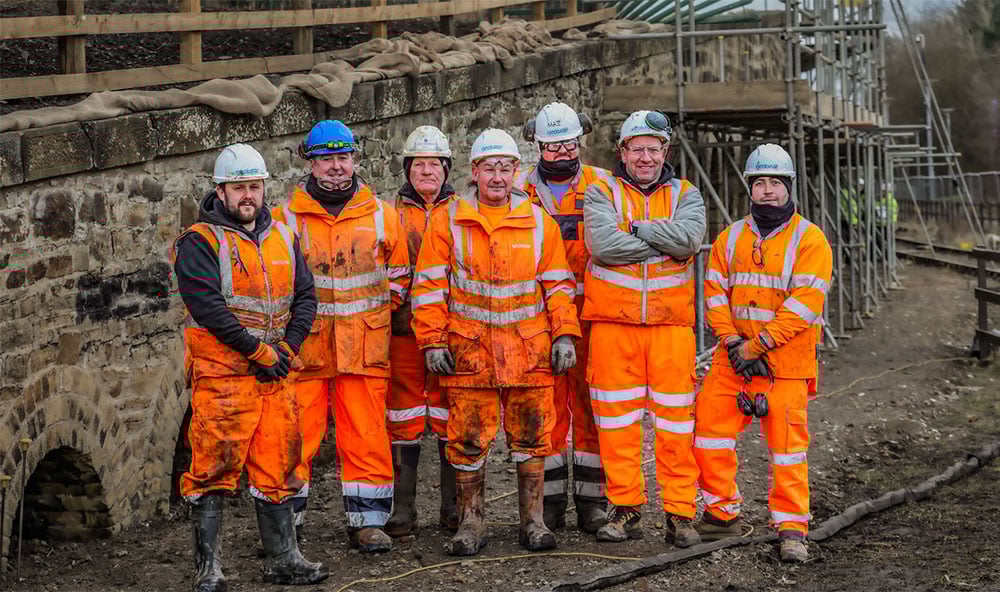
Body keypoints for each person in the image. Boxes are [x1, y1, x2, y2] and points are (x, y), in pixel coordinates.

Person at [410, 129, 582, 556]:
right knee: (468, 441)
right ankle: (470, 524)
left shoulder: (538, 222)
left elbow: (559, 285)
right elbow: (429, 288)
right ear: (475, 172)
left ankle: (534, 522)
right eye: (490, 168)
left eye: (506, 168)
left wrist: (564, 333)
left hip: (529, 352)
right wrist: (432, 341)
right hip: (470, 354)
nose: (499, 177)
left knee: (532, 438)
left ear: (516, 172)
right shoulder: (449, 221)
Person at [173, 143, 327, 589]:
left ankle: (284, 558)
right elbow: (207, 306)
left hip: (274, 375)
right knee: (212, 470)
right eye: (238, 187)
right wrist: (256, 350)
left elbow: (305, 296)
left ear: (264, 188)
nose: (248, 196)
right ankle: (209, 569)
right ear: (220, 192)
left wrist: (288, 347)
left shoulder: (282, 235)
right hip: (224, 380)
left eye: (254, 187)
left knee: (280, 465)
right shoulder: (200, 242)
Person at [271, 120, 410, 553]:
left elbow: (401, 280)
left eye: (343, 157)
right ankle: (283, 522)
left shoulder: (383, 216)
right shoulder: (284, 218)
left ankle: (368, 523)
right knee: (294, 437)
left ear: (355, 159)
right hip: (305, 350)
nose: (336, 167)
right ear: (309, 162)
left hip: (363, 350)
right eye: (326, 159)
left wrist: (366, 321)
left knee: (367, 434)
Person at [695, 143, 833, 563]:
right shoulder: (730, 237)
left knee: (787, 449)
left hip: (784, 363)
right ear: (750, 189)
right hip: (732, 359)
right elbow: (714, 293)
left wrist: (757, 345)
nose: (768, 191)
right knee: (708, 435)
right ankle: (721, 513)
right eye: (760, 183)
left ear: (788, 187)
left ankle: (792, 527)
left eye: (775, 183)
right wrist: (734, 342)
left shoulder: (810, 240)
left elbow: (804, 305)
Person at [581, 110, 706, 548]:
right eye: (638, 149)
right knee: (617, 427)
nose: (647, 157)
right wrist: (661, 242)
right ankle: (626, 509)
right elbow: (602, 246)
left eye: (654, 149)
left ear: (665, 151)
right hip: (614, 328)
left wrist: (636, 228)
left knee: (676, 427)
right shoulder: (600, 192)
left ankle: (680, 514)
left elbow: (689, 241)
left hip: (672, 329)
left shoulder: (686, 194)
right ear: (623, 152)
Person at [514, 102, 612, 533]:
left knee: (592, 408)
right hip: (539, 319)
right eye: (552, 147)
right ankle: (549, 504)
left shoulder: (603, 185)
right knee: (546, 410)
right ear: (538, 145)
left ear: (580, 142)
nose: (561, 153)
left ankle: (593, 502)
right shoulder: (518, 191)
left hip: (593, 315)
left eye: (568, 144)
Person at [383, 125, 459, 537]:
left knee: (451, 414)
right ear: (407, 169)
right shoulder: (388, 211)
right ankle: (403, 509)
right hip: (402, 330)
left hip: (452, 330)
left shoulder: (463, 212)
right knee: (403, 414)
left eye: (434, 164)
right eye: (419, 164)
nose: (427, 171)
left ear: (447, 169)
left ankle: (453, 507)